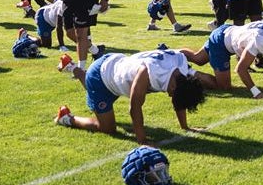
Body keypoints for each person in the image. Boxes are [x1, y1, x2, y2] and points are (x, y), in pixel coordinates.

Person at [55, 48, 207, 146]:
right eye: (172, 94)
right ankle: (66, 118)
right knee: (107, 128)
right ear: (174, 87)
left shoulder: (180, 65)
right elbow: (134, 107)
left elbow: (180, 97)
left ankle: (72, 67)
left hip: (114, 63)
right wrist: (143, 140)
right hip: (101, 79)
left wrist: (185, 127)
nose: (170, 95)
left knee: (91, 87)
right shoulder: (147, 73)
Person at [193, 18, 263, 99]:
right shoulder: (261, 40)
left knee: (198, 59)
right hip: (221, 43)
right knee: (224, 86)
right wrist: (256, 92)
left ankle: (177, 56)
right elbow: (241, 69)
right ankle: (187, 71)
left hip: (228, 30)